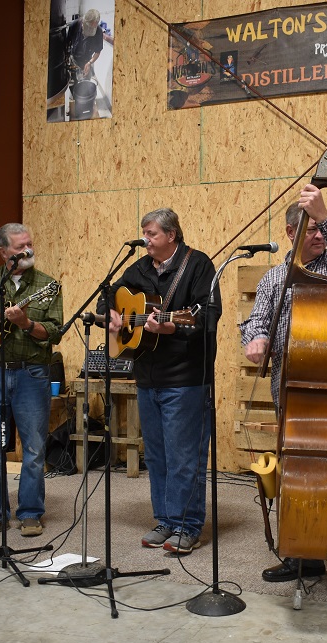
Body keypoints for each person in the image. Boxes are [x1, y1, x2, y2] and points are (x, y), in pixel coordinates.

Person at [239, 184, 327, 599]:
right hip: (291, 391)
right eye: (311, 230)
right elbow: (256, 322)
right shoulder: (274, 278)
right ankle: (302, 553)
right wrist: (256, 340)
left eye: (322, 230)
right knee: (295, 472)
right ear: (291, 233)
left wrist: (325, 217)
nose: (319, 236)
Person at [103, 208, 217, 555]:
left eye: (151, 234)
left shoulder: (198, 265)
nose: (146, 240)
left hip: (185, 378)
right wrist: (112, 313)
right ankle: (166, 520)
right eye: (144, 233)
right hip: (147, 376)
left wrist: (171, 328)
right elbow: (109, 294)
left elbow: (207, 316)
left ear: (171, 235)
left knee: (184, 456)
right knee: (156, 456)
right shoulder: (138, 269)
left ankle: (187, 525)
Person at [0, 223, 64, 538]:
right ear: (4, 251)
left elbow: (54, 332)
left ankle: (30, 513)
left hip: (32, 373)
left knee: (34, 447)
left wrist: (27, 323)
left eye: (29, 244)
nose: (28, 250)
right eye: (20, 247)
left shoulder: (47, 285)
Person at [64, 9, 105, 82]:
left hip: (87, 60)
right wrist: (66, 57)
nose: (89, 30)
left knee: (85, 82)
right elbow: (67, 42)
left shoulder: (98, 31)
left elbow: (98, 52)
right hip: (73, 58)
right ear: (83, 22)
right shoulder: (75, 25)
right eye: (88, 27)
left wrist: (89, 63)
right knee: (73, 82)